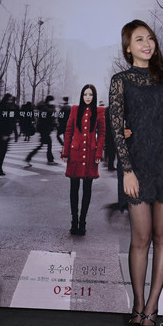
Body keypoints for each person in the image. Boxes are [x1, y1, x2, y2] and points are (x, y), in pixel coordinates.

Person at [109, 19, 163, 326]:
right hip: (136, 166)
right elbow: (116, 128)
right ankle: (138, 304)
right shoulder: (120, 81)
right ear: (128, 47)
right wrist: (127, 170)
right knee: (140, 238)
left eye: (150, 38)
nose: (147, 44)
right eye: (139, 39)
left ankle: (152, 306)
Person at [61, 85, 105, 235]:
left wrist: (98, 153)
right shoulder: (75, 110)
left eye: (90, 95)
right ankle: (74, 222)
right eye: (85, 94)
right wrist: (65, 152)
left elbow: (102, 134)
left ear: (94, 96)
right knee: (74, 189)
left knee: (87, 190)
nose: (87, 97)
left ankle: (82, 222)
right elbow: (68, 131)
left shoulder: (99, 112)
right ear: (81, 96)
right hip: (75, 154)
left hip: (90, 155)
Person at [25, 95, 58, 166]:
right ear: (49, 101)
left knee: (44, 145)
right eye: (52, 101)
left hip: (44, 129)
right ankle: (49, 160)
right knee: (46, 145)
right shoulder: (46, 109)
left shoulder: (46, 108)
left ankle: (29, 157)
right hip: (44, 130)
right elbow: (47, 119)